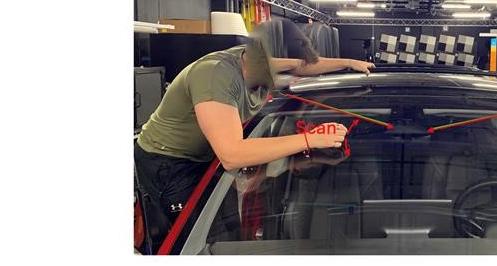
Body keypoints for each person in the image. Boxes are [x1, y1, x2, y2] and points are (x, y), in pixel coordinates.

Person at [134, 18, 374, 253]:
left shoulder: (258, 61)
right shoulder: (215, 76)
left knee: (229, 232)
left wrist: (349, 62)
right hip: (169, 162)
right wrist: (310, 139)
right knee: (198, 240)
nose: (289, 75)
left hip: (207, 156)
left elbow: (302, 66)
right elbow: (232, 155)